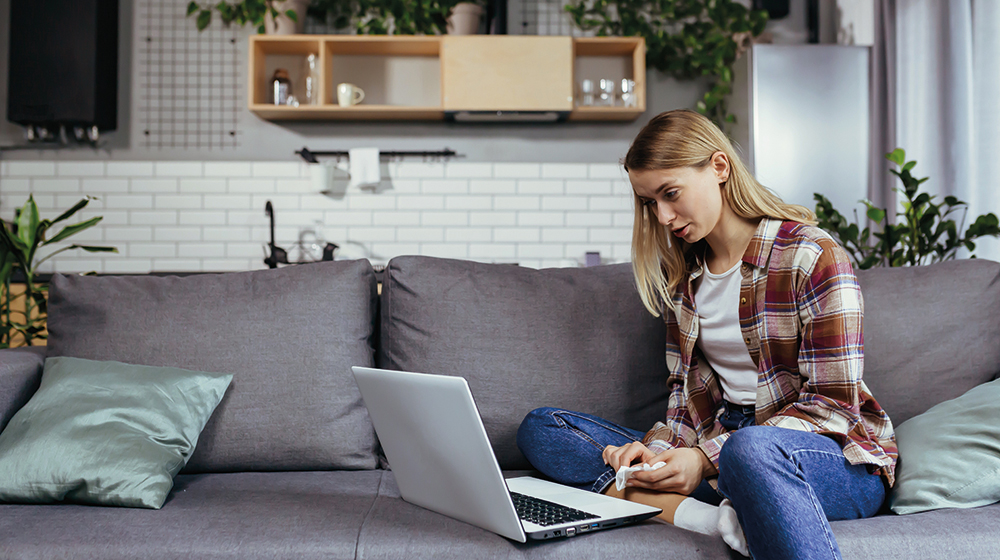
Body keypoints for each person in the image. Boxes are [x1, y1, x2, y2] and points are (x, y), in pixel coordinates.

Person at [516, 109, 897, 559]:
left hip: (827, 458)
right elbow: (685, 403)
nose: (662, 216)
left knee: (751, 452)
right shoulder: (685, 280)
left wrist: (704, 460)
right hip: (724, 448)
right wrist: (653, 455)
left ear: (719, 167)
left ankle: (688, 499)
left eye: (670, 193)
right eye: (649, 202)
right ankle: (711, 519)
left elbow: (832, 407)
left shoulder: (812, 255)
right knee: (543, 429)